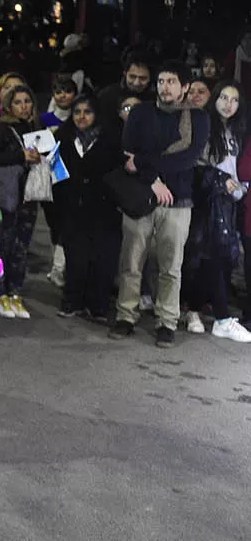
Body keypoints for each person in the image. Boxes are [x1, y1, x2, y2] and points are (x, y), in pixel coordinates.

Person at [110, 62, 209, 348]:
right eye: (162, 80)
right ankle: (126, 315)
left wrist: (142, 162)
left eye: (172, 81)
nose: (165, 87)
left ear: (185, 87)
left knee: (171, 266)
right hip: (141, 196)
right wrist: (152, 179)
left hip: (179, 201)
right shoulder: (141, 112)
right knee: (131, 261)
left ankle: (166, 321)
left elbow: (187, 159)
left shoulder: (198, 119)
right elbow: (127, 152)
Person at [183, 82, 251, 342]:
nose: (228, 104)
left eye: (234, 99)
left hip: (229, 201)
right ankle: (222, 318)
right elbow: (197, 165)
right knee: (210, 255)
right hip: (207, 200)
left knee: (218, 258)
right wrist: (221, 179)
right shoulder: (204, 126)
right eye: (223, 97)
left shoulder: (236, 130)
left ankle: (194, 309)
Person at [0, 83, 44, 321]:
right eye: (18, 102)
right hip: (7, 198)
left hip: (30, 195)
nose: (23, 106)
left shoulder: (37, 128)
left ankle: (15, 292)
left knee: (22, 247)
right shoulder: (3, 130)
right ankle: (0, 292)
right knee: (3, 244)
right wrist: (19, 155)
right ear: (8, 106)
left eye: (27, 101)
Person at [54, 95, 122, 322]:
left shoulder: (111, 140)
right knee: (76, 257)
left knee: (102, 258)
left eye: (87, 112)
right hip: (73, 207)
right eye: (77, 112)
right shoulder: (62, 138)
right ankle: (72, 301)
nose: (82, 117)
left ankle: (98, 305)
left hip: (103, 208)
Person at [96, 55, 153, 128]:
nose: (136, 83)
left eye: (143, 78)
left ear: (150, 78)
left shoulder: (155, 100)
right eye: (132, 77)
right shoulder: (107, 95)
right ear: (125, 74)